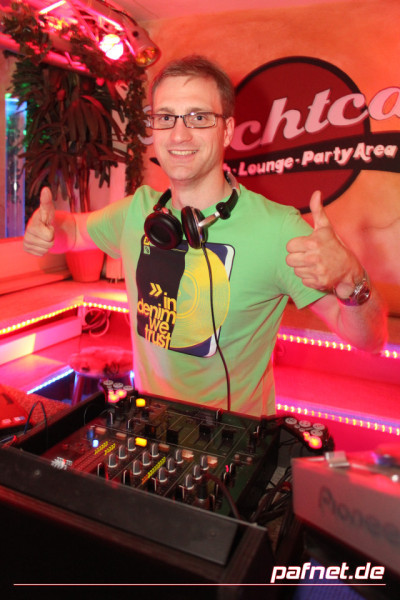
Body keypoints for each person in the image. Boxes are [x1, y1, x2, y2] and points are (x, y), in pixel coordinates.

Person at [23, 55, 387, 417]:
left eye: (198, 117)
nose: (179, 134)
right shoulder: (137, 212)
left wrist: (350, 277)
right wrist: (47, 229)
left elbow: (370, 340)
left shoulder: (279, 229)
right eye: (166, 117)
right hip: (148, 426)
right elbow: (73, 231)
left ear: (227, 130)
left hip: (234, 440)